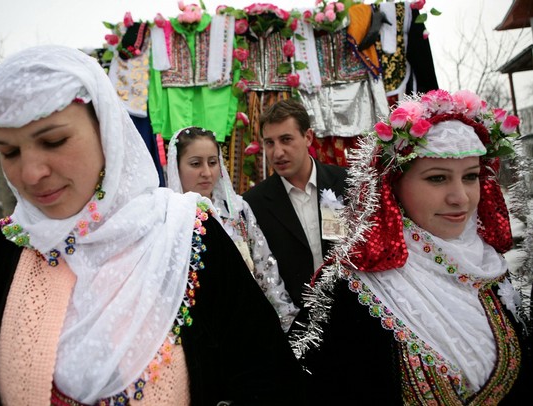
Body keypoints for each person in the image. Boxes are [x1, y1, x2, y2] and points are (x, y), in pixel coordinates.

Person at [0, 45, 305, 405]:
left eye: (54, 141)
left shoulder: (187, 234)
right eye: (9, 151)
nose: (31, 172)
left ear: (106, 130)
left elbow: (267, 380)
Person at [292, 89, 532, 404]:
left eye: (471, 176)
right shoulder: (350, 289)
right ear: (393, 187)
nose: (460, 198)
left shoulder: (491, 269)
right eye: (437, 179)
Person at [166, 126, 299, 332]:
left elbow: (265, 268)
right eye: (195, 164)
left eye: (212, 162)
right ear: (176, 167)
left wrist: (286, 320)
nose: (207, 173)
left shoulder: (237, 210)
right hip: (198, 329)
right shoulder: (168, 218)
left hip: (247, 321)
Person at [242, 98, 348, 316]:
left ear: (308, 137)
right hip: (299, 328)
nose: (277, 152)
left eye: (286, 139)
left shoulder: (346, 183)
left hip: (353, 315)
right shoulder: (254, 203)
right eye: (269, 143)